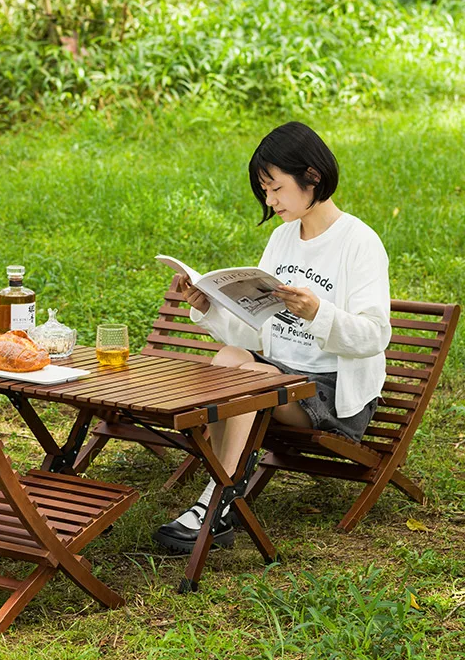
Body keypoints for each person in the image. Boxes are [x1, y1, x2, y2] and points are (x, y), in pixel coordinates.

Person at [152, 121, 391, 553]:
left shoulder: (359, 243)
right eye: (264, 190)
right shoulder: (282, 239)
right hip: (282, 376)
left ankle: (216, 502)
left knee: (252, 380)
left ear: (312, 177)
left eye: (276, 188)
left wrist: (318, 313)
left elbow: (375, 336)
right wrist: (207, 306)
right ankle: (220, 493)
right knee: (230, 356)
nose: (270, 200)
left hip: (330, 392)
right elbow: (257, 330)